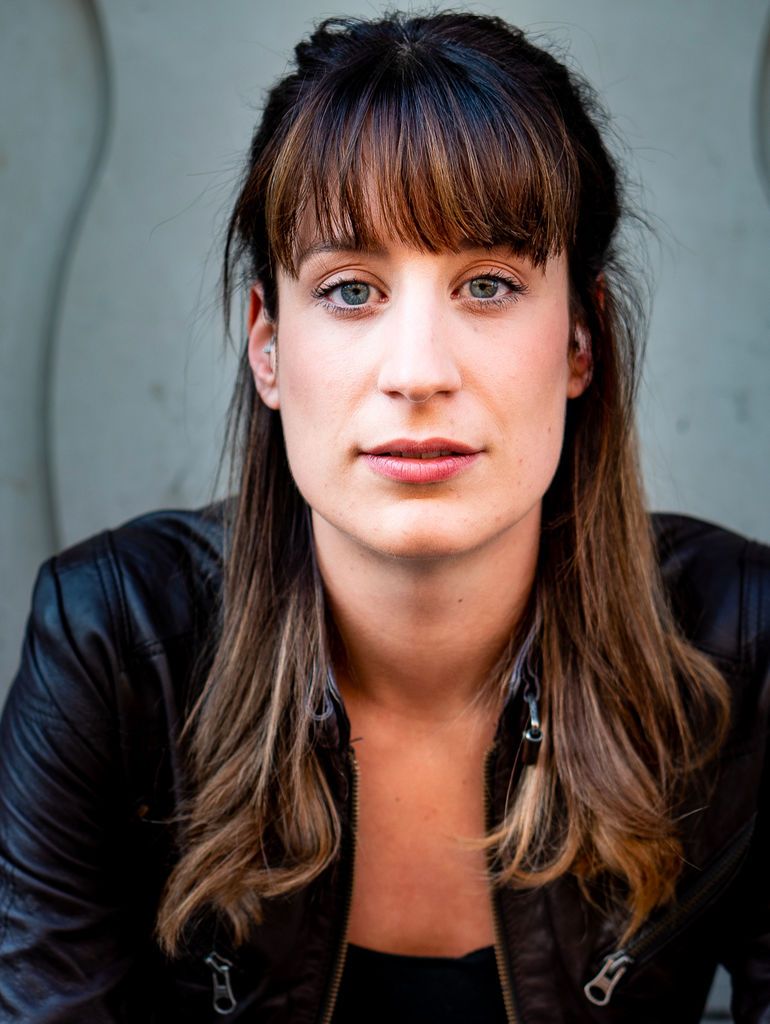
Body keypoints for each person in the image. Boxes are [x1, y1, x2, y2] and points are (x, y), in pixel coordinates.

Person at [1, 10, 768, 1023]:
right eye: (351, 290)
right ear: (267, 348)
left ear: (580, 341)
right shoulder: (114, 646)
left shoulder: (742, 649)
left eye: (487, 285)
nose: (417, 372)